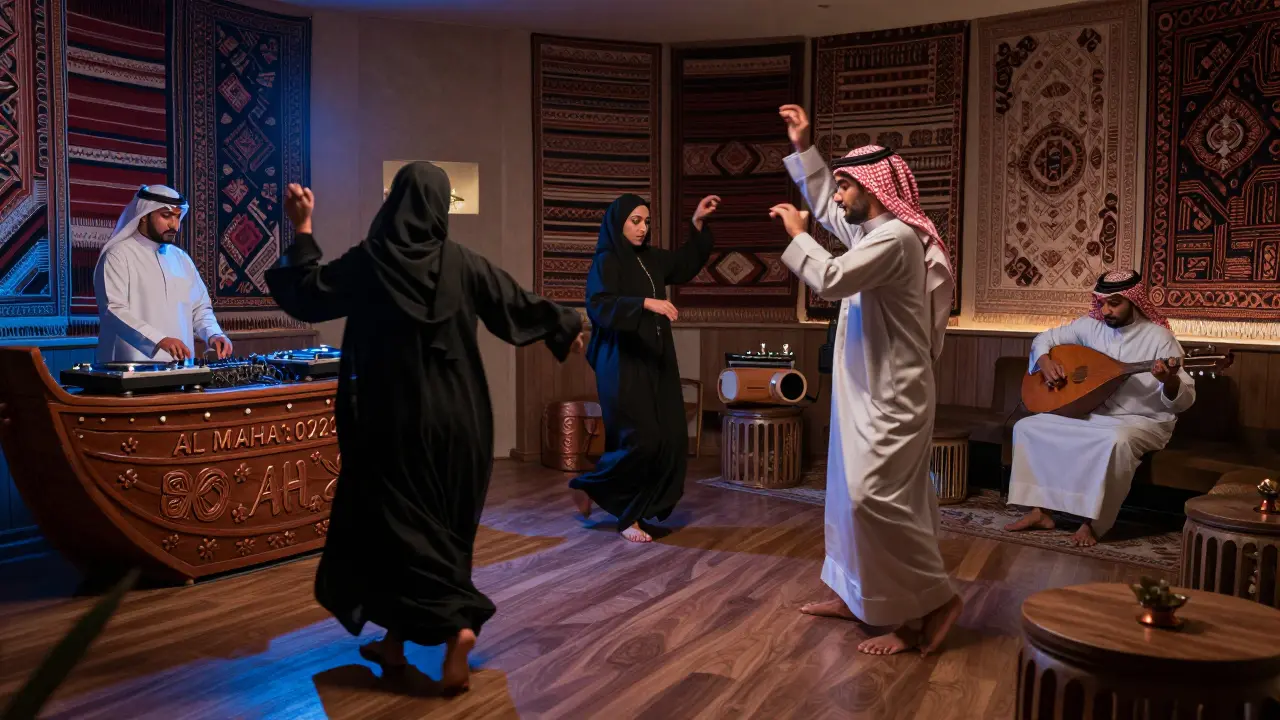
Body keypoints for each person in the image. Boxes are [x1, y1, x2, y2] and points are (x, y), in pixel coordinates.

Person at [264, 162, 585, 693]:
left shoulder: (371, 262)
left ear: (394, 205)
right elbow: (517, 304)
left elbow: (309, 293)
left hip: (394, 420)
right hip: (461, 421)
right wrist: (565, 326)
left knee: (397, 528)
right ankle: (394, 642)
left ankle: (457, 625)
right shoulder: (464, 263)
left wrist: (301, 228)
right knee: (442, 525)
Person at [771, 103, 962, 656]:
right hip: (864, 388)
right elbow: (829, 214)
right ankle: (858, 595)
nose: (836, 197)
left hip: (894, 394)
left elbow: (827, 278)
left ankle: (927, 604)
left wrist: (795, 235)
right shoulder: (870, 233)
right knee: (844, 495)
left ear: (871, 189)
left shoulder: (896, 239)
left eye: (845, 188)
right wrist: (804, 144)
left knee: (877, 500)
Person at [1004, 270, 1196, 547]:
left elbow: (1185, 398)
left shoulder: (1159, 338)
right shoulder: (1089, 327)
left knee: (1113, 440)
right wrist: (1044, 361)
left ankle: (1093, 523)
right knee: (1029, 427)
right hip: (1093, 413)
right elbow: (1043, 339)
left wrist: (1169, 380)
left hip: (1144, 420)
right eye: (1101, 302)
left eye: (1114, 303)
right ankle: (1040, 511)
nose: (1106, 310)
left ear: (1134, 301)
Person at [568, 193, 719, 543]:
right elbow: (599, 306)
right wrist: (646, 303)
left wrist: (697, 223)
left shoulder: (651, 258)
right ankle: (628, 517)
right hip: (621, 362)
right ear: (618, 222)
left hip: (656, 359)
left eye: (646, 221)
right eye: (635, 221)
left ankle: (590, 486)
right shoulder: (607, 260)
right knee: (642, 441)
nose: (642, 228)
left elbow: (684, 263)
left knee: (671, 436)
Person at [93, 185, 232, 362]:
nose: (174, 225)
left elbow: (200, 308)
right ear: (143, 216)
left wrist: (214, 334)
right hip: (127, 367)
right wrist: (159, 340)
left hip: (180, 369)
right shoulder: (118, 255)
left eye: (177, 216)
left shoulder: (181, 259)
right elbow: (113, 311)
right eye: (166, 216)